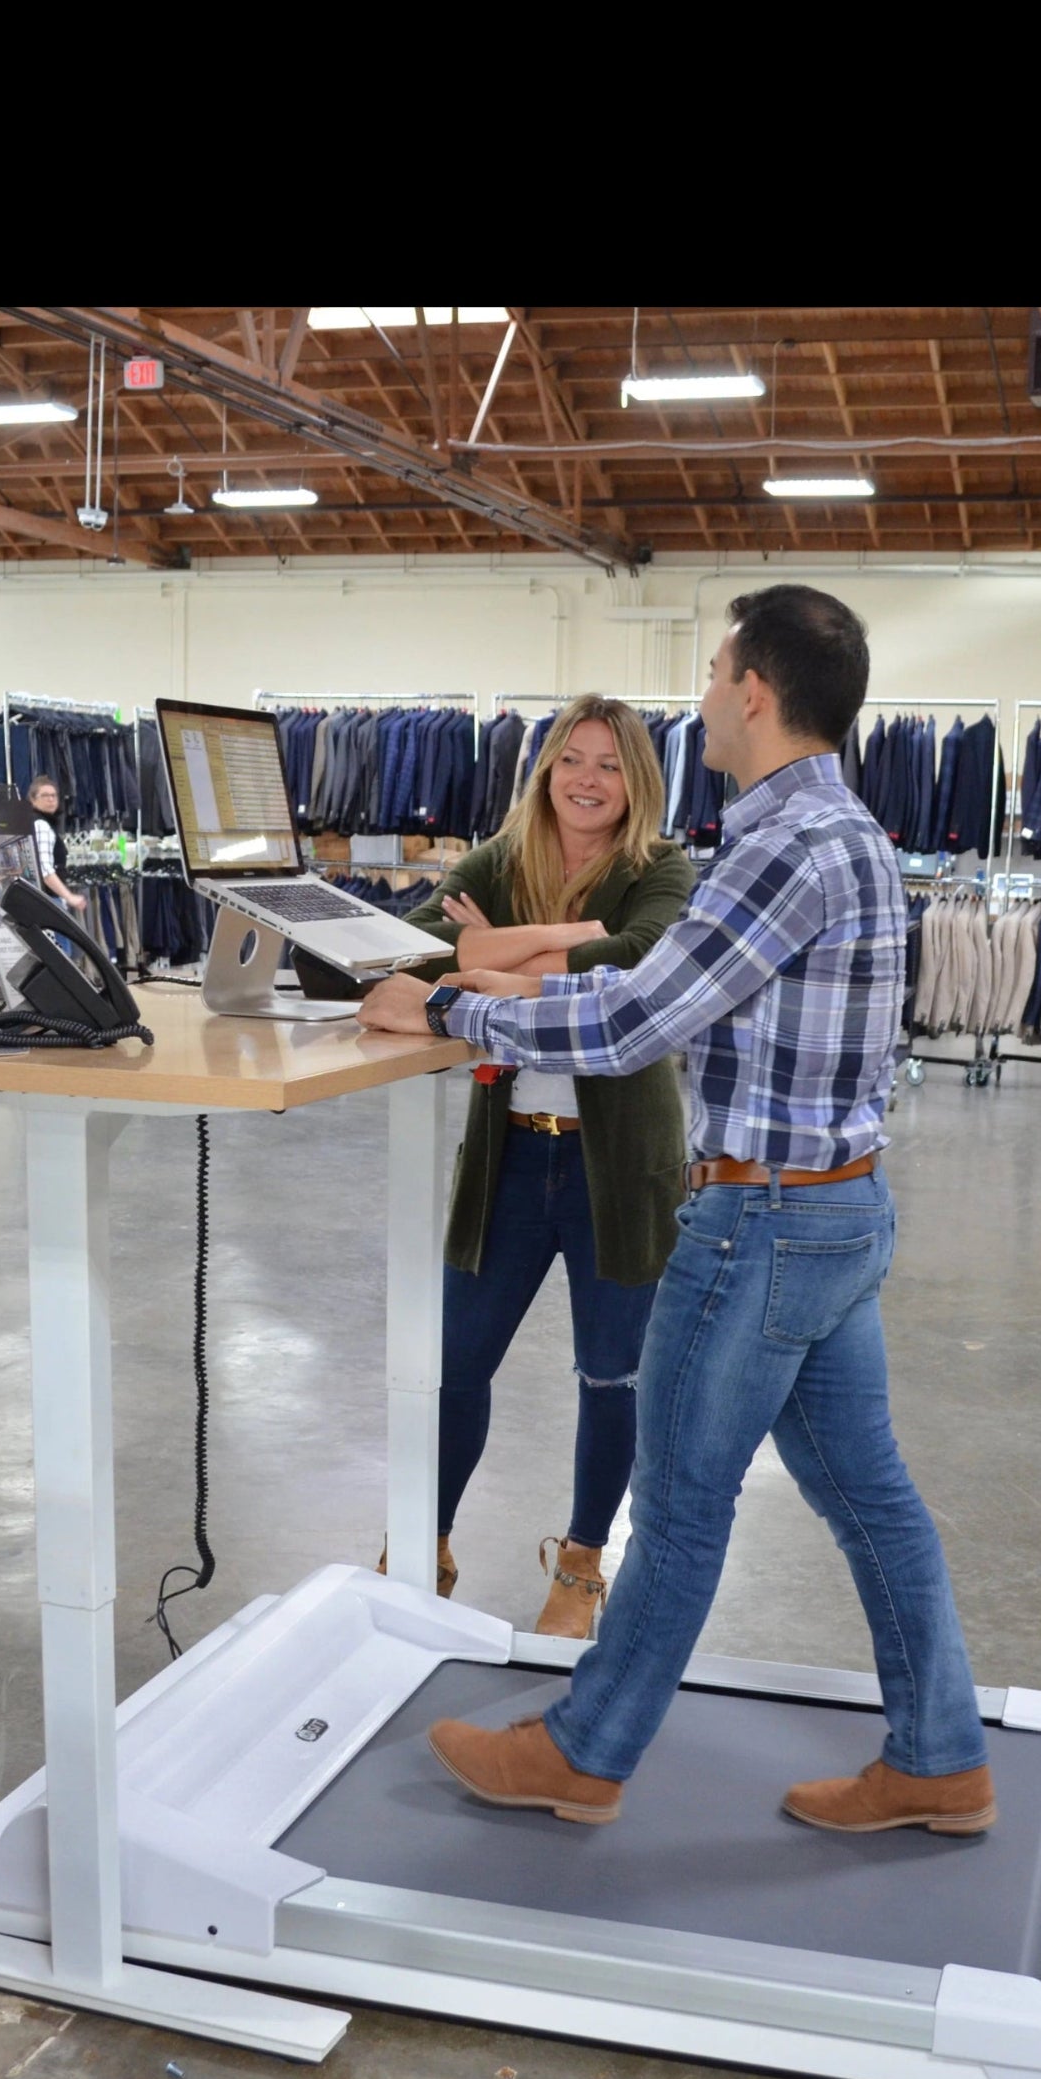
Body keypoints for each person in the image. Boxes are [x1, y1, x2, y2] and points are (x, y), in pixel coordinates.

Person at [358, 586, 998, 1836]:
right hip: (838, 1208)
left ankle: (584, 1751)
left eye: (712, 673)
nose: (700, 695)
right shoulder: (849, 830)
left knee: (686, 1498)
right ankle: (938, 1755)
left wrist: (448, 1008)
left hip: (760, 1219)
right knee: (869, 1495)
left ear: (753, 692)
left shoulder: (782, 842)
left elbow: (635, 1018)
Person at [379, 699, 695, 1631]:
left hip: (619, 1169)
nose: (587, 780)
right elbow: (405, 952)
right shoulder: (501, 860)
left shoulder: (659, 867)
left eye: (609, 764)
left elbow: (640, 967)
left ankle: (581, 1570)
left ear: (637, 779)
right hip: (510, 1159)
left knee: (611, 1376)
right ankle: (421, 1540)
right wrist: (539, 945)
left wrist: (490, 956)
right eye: (571, 759)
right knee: (455, 1365)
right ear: (546, 767)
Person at [25, 774, 88, 922]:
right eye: (45, 795)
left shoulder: (35, 822)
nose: (51, 799)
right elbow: (45, 869)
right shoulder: (41, 825)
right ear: (33, 799)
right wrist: (69, 897)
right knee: (58, 945)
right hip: (48, 901)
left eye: (54, 795)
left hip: (42, 900)